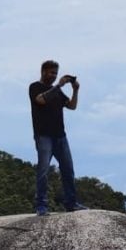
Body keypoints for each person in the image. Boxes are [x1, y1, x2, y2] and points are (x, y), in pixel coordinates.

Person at [29, 60, 86, 215]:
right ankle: (41, 205)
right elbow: (40, 100)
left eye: (56, 73)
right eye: (51, 72)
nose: (54, 76)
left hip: (60, 136)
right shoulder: (35, 87)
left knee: (68, 170)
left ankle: (71, 203)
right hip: (44, 136)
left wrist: (75, 90)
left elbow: (72, 106)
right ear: (43, 71)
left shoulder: (57, 92)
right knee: (43, 171)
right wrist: (59, 85)